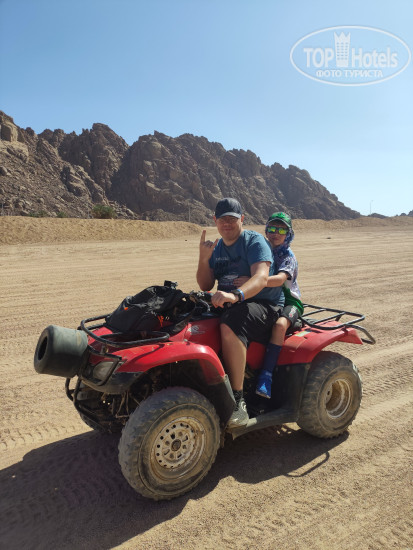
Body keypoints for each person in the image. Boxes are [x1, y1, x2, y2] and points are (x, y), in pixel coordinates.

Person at [197, 198, 285, 427]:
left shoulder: (254, 241)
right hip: (231, 302)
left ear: (242, 219)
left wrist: (235, 295)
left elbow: (261, 278)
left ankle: (237, 401)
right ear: (215, 220)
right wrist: (204, 259)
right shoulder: (217, 248)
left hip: (265, 304)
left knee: (231, 321)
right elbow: (205, 285)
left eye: (232, 219)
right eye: (222, 219)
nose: (227, 223)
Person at [254, 212, 303, 399]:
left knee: (280, 325)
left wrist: (254, 281)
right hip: (268, 299)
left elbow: (280, 279)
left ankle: (266, 376)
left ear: (288, 234)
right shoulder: (261, 250)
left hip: (290, 301)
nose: (276, 233)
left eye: (281, 230)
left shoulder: (288, 256)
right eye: (272, 228)